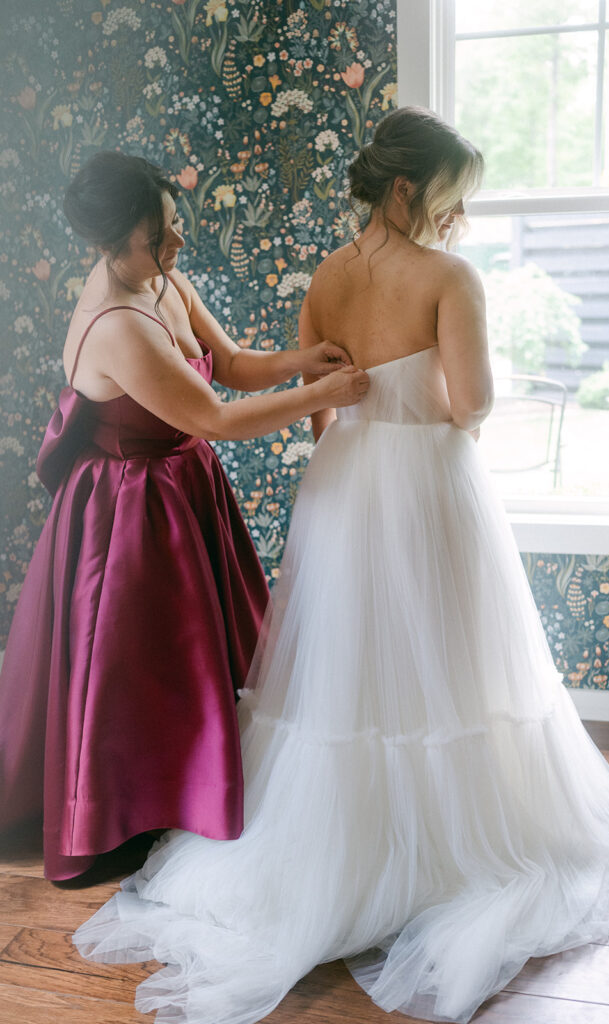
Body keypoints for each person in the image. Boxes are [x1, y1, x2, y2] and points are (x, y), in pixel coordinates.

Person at [74, 110, 609, 1023]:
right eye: (454, 195)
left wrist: (351, 439)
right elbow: (471, 407)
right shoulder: (452, 278)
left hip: (340, 489)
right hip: (426, 486)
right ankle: (439, 846)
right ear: (410, 189)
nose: (460, 215)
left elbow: (317, 401)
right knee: (449, 667)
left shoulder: (329, 273)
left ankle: (336, 850)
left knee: (344, 674)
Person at [0, 150, 369, 881]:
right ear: (110, 246)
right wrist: (334, 394)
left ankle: (188, 793)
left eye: (174, 227)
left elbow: (227, 363)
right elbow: (218, 418)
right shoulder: (117, 326)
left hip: (175, 485)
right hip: (128, 511)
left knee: (193, 661)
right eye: (157, 236)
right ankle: (120, 815)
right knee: (138, 674)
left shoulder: (161, 277)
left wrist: (306, 362)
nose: (175, 245)